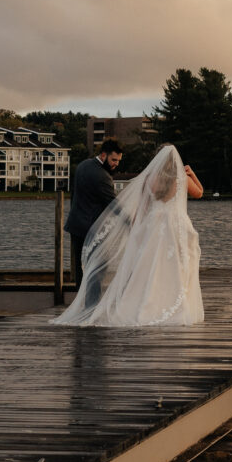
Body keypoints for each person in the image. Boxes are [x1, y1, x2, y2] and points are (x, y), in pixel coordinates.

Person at [57, 144, 204, 327]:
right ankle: (173, 304)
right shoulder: (181, 178)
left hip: (154, 226)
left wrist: (137, 229)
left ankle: (141, 303)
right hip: (176, 228)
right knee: (176, 267)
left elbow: (142, 209)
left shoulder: (149, 179)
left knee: (150, 267)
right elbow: (199, 193)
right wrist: (191, 174)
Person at [64, 138, 123, 290]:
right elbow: (114, 205)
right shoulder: (102, 176)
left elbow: (75, 194)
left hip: (76, 225)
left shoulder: (83, 165)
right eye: (113, 160)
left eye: (118, 160)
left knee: (80, 269)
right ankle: (91, 307)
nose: (116, 164)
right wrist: (133, 221)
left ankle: (81, 304)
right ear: (103, 155)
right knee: (97, 270)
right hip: (91, 229)